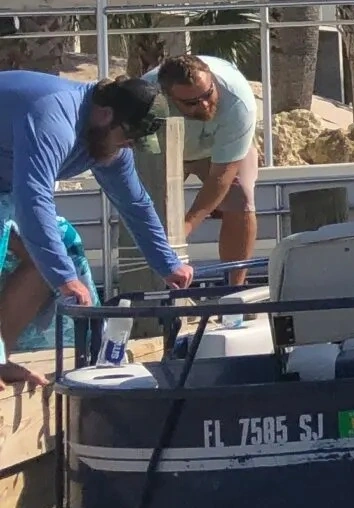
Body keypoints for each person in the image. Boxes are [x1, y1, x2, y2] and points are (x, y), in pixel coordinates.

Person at [0, 73, 192, 382]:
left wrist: (167, 264)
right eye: (127, 139)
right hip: (15, 192)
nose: (127, 147)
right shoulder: (53, 119)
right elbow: (34, 200)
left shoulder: (107, 141)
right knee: (56, 268)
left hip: (6, 188)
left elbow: (135, 204)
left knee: (54, 256)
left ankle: (1, 355)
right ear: (105, 114)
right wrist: (64, 278)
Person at [154, 52, 262, 283]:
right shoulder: (147, 98)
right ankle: (158, 289)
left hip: (218, 151)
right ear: (167, 97)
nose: (204, 104)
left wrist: (187, 226)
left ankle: (233, 293)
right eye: (191, 102)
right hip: (165, 152)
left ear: (212, 79)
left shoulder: (238, 101)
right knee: (151, 208)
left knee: (240, 198)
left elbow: (221, 177)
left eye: (208, 94)